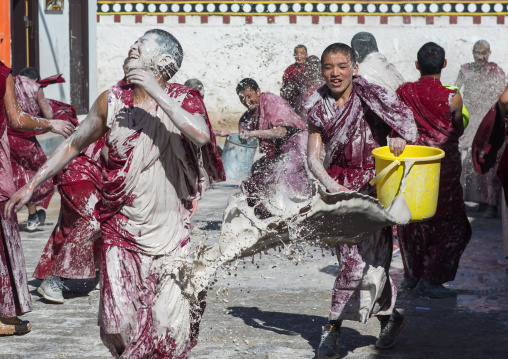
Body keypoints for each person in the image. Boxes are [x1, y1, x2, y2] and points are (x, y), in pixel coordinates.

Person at [6, 29, 224, 357]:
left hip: (167, 233)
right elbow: (74, 142)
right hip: (120, 227)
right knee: (116, 324)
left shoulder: (182, 97)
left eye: (140, 47)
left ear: (163, 62)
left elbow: (201, 136)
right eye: (132, 45)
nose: (131, 49)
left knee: (165, 327)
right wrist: (32, 183)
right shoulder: (113, 99)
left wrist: (155, 91)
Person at [304, 43, 417, 358]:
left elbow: (407, 128)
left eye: (342, 66)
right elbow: (314, 159)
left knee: (362, 264)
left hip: (374, 187)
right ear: (322, 70)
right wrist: (333, 187)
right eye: (329, 67)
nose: (335, 73)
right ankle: (390, 320)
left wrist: (397, 140)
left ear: (353, 68)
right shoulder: (318, 107)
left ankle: (332, 331)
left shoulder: (372, 96)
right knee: (354, 263)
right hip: (339, 191)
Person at [0, 61, 74, 335]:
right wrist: (51, 123)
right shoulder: (6, 75)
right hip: (19, 144)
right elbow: (17, 118)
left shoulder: (12, 77)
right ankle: (4, 315)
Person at [397, 42, 472, 298]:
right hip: (443, 165)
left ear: (417, 65)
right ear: (445, 64)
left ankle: (412, 276)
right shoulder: (453, 96)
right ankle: (431, 280)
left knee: (413, 218)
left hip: (413, 163)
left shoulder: (404, 91)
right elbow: (457, 129)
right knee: (452, 223)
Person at [236, 78, 311, 218]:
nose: (246, 101)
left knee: (285, 177)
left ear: (258, 91)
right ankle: (263, 216)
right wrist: (239, 133)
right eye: (242, 98)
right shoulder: (251, 113)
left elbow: (281, 132)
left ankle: (297, 215)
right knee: (256, 177)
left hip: (296, 143)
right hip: (279, 150)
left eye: (248, 96)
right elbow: (243, 126)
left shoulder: (272, 102)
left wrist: (252, 133)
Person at [456, 40, 506, 217]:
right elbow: (455, 92)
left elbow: (503, 99)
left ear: (489, 53)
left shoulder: (496, 72)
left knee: (489, 161)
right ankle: (476, 202)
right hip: (470, 122)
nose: (480, 56)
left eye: (484, 53)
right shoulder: (465, 70)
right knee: (465, 161)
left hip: (489, 124)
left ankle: (491, 205)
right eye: (477, 52)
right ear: (472, 52)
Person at [8, 67, 57, 230]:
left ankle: (9, 218)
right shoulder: (36, 88)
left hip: (7, 138)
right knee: (32, 175)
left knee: (12, 175)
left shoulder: (9, 83)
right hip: (26, 141)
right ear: (36, 80)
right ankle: (32, 216)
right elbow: (49, 116)